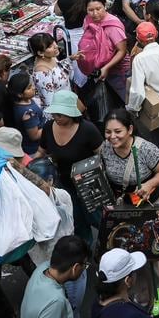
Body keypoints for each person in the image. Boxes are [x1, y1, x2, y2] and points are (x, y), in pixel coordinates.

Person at [37, 90, 105, 240]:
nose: (56, 118)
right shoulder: (49, 127)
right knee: (76, 221)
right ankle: (85, 253)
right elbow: (41, 153)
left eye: (60, 115)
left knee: (98, 219)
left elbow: (103, 154)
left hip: (89, 185)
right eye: (54, 114)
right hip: (66, 185)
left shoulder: (88, 129)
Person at [21, 236, 90, 318]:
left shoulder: (42, 268)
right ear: (75, 267)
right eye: (84, 265)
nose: (84, 268)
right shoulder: (56, 302)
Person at [93, 248, 157, 318]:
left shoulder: (97, 304)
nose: (135, 274)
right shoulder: (134, 317)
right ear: (128, 281)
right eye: (133, 272)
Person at [29, 31, 74, 110]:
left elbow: (59, 69)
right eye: (50, 46)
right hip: (61, 111)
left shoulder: (51, 57)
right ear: (40, 53)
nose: (56, 46)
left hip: (68, 102)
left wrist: (71, 59)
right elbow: (49, 102)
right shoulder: (42, 73)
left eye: (54, 43)